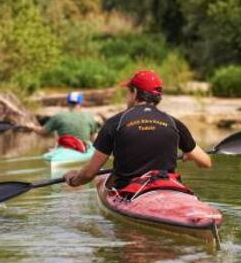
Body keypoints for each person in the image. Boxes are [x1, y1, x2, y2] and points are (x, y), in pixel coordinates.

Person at [64, 70, 211, 187]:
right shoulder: (174, 123)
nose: (127, 96)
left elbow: (89, 174)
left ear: (134, 93)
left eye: (128, 92)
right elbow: (206, 162)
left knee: (101, 179)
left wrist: (73, 179)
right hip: (168, 188)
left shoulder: (115, 123)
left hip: (130, 193)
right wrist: (189, 155)